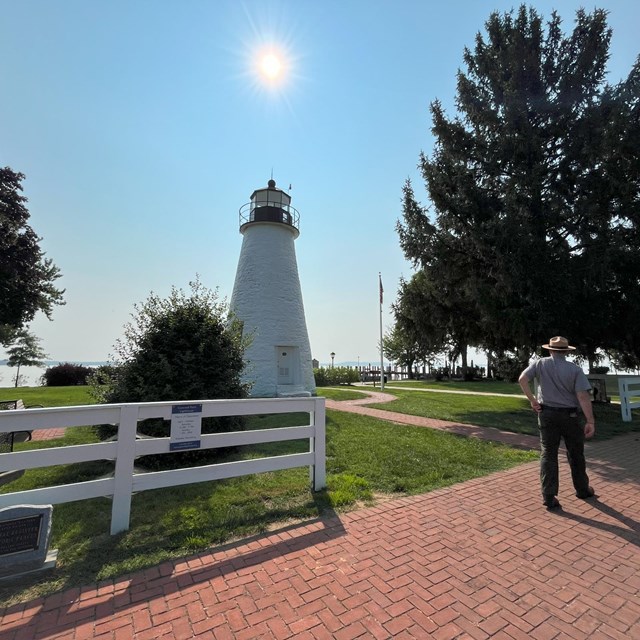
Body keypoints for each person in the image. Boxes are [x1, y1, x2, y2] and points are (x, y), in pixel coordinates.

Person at [518, 336, 596, 510]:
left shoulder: (540, 364)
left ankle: (549, 495)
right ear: (567, 351)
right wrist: (590, 420)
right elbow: (582, 396)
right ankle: (582, 489)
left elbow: (522, 380)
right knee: (575, 453)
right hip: (571, 416)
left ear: (550, 350)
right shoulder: (575, 370)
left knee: (548, 454)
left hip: (546, 414)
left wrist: (532, 400)